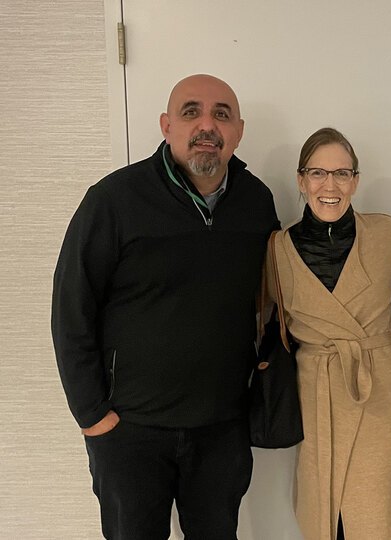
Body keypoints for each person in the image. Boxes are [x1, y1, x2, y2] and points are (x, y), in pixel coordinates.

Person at [51, 74, 280, 539]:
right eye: (191, 111)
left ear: (238, 131)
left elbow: (276, 295)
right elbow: (72, 309)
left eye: (221, 114)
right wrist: (92, 416)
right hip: (129, 432)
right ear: (166, 125)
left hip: (221, 430)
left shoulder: (256, 202)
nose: (206, 125)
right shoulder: (114, 200)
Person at [260, 127, 391, 540]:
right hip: (317, 390)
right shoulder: (278, 248)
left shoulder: (386, 234)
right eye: (317, 173)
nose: (329, 186)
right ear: (301, 180)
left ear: (355, 181)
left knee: (377, 511)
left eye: (341, 173)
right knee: (326, 515)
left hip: (379, 388)